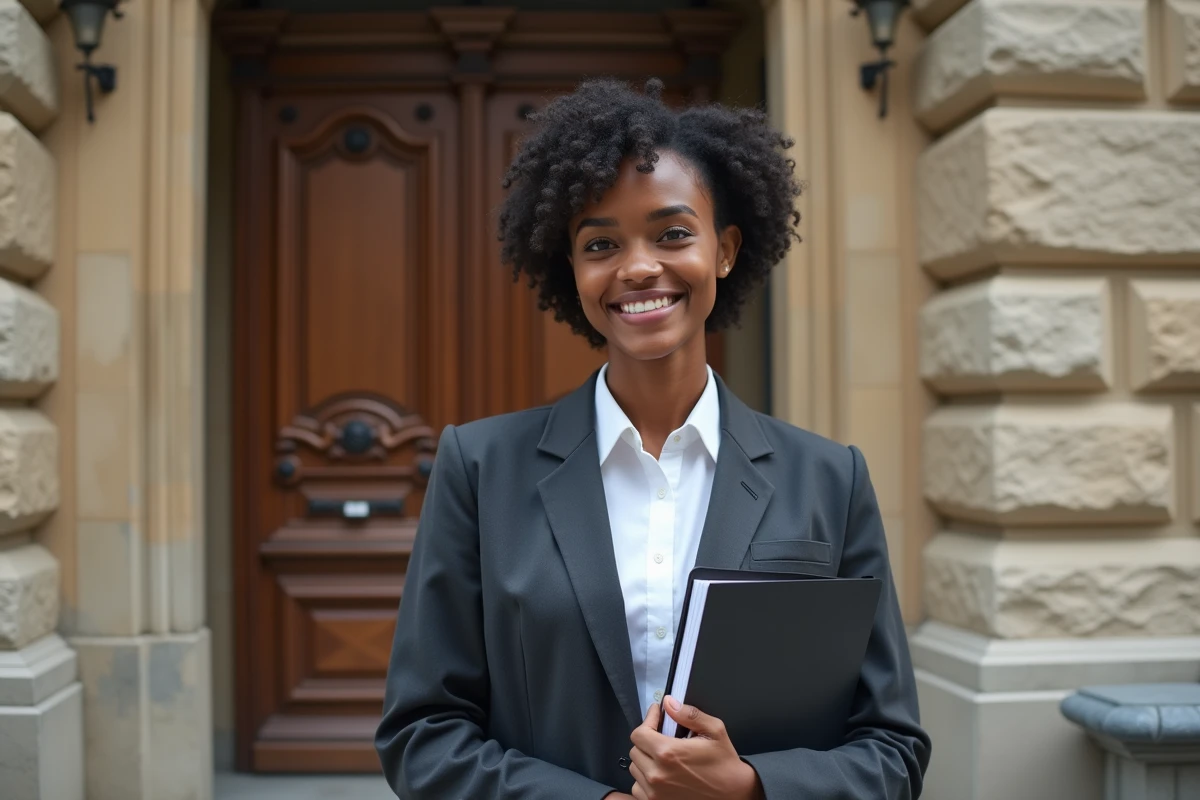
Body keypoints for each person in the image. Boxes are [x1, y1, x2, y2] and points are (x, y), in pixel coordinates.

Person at [375, 77, 931, 799]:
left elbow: (892, 748)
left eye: (672, 233)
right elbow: (422, 734)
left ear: (725, 250)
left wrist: (753, 787)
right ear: (571, 270)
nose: (638, 266)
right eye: (600, 243)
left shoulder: (830, 478)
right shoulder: (479, 470)